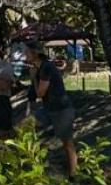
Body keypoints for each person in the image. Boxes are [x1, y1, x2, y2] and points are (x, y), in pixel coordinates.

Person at [24, 40, 77, 177]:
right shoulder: (39, 68)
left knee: (67, 144)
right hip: (48, 109)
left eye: (27, 52)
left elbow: (40, 92)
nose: (24, 54)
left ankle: (73, 176)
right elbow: (35, 94)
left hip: (61, 109)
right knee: (25, 128)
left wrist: (33, 77)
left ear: (35, 53)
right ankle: (30, 164)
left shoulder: (46, 67)